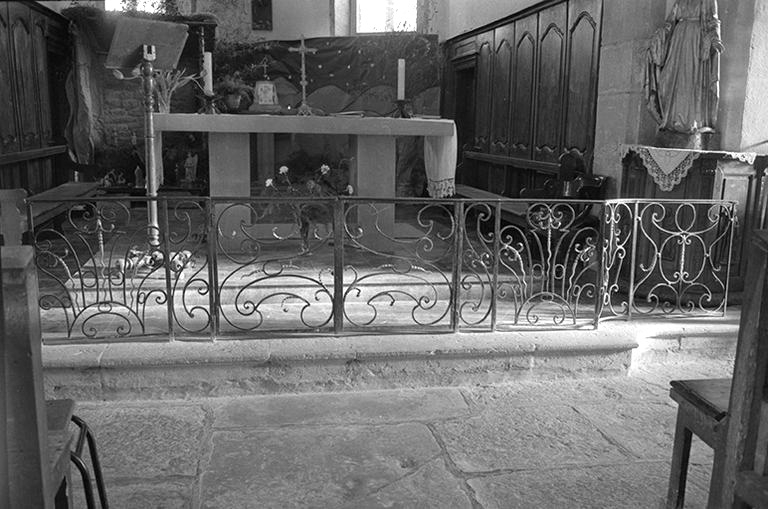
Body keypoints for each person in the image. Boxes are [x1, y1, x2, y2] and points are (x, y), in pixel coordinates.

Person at [645, 0, 723, 134]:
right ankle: (672, 120)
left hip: (695, 41)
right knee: (667, 80)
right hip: (677, 42)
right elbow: (669, 23)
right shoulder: (680, 2)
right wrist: (658, 38)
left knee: (691, 79)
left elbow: (713, 20)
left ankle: (691, 121)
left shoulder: (708, 1)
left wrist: (714, 38)